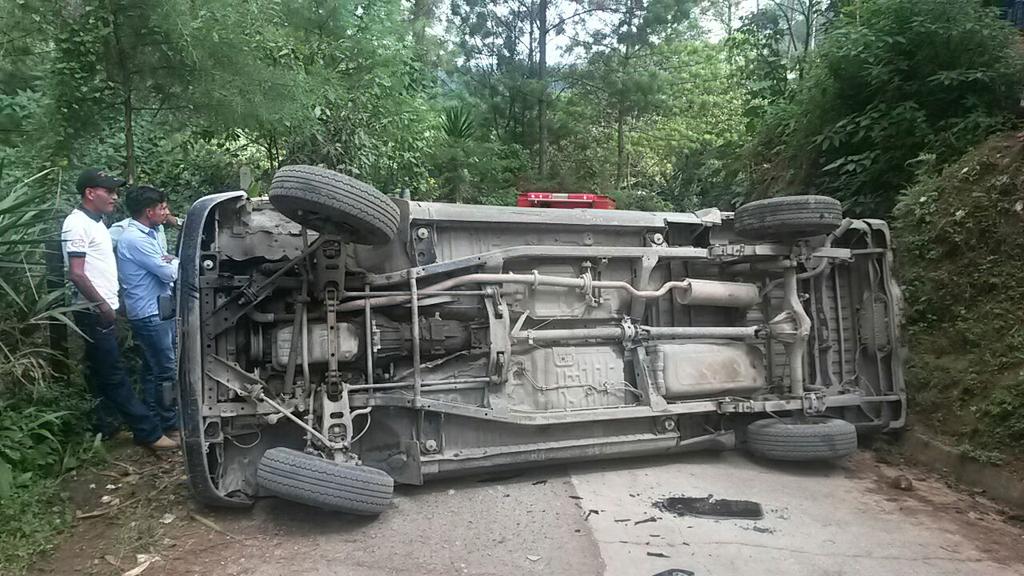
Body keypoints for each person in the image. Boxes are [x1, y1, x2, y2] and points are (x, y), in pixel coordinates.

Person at [61, 169, 177, 451]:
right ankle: (148, 432)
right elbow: (76, 273)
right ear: (90, 193)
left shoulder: (99, 223)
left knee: (103, 372)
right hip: (94, 311)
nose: (114, 197)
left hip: (105, 309)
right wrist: (103, 307)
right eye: (109, 191)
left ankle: (107, 426)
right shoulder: (76, 224)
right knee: (115, 374)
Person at [116, 185, 180, 440]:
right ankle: (169, 424)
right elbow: (169, 272)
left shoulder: (150, 233)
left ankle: (154, 422)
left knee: (152, 369)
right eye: (162, 208)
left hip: (157, 310)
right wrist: (176, 261)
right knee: (166, 369)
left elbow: (167, 264)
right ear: (148, 211)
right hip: (149, 313)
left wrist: (170, 260)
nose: (166, 212)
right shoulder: (136, 240)